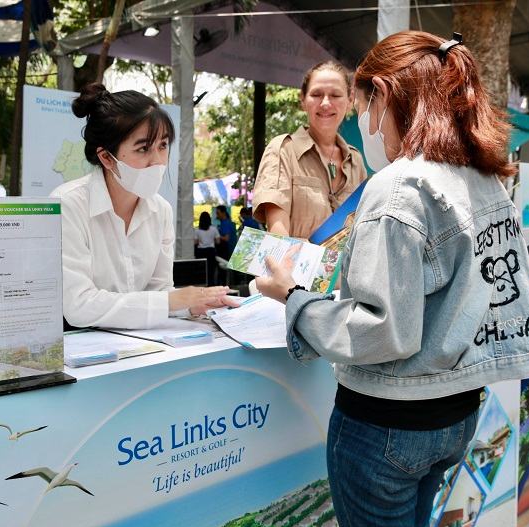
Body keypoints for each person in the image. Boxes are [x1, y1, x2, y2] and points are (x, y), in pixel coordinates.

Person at [256, 31, 529, 527]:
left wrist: (295, 299)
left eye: (361, 105)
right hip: (456, 414)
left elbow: (382, 330)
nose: (364, 122)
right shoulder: (482, 178)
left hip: (386, 422)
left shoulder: (398, 186)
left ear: (383, 97)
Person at [53, 83, 236, 329]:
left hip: (142, 350)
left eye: (163, 145)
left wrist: (192, 305)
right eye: (143, 149)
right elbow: (79, 305)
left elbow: (160, 292)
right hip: (81, 352)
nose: (158, 161)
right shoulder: (67, 205)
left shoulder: (161, 211)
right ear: (106, 157)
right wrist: (173, 300)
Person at [252, 61, 368, 239]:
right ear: (303, 100)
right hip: (294, 265)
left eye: (336, 95)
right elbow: (277, 235)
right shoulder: (283, 150)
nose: (325, 103)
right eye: (316, 94)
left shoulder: (356, 160)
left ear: (350, 101)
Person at [194, 211, 220, 286]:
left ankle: (202, 286)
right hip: (211, 252)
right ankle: (211, 285)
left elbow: (195, 242)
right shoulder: (214, 229)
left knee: (201, 271)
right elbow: (218, 241)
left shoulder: (197, 230)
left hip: (200, 252)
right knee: (211, 270)